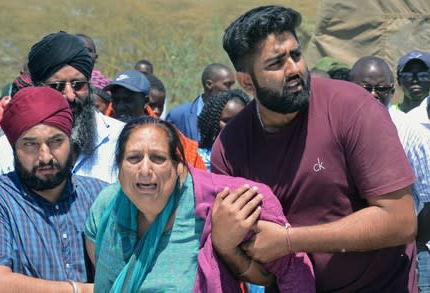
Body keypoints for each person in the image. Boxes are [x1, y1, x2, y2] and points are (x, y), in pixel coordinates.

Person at [211, 5, 417, 292]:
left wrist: (289, 240)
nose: (294, 69)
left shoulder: (352, 108)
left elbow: (400, 220)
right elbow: (256, 265)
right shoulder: (231, 147)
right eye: (276, 63)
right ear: (247, 82)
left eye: (296, 55)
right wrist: (226, 244)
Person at [83, 116, 314, 292]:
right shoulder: (106, 208)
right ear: (119, 169)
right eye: (133, 158)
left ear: (179, 168)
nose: (145, 170)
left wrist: (226, 248)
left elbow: (283, 270)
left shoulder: (224, 205)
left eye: (158, 158)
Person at [0, 87, 108, 292]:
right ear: (14, 149)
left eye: (56, 141)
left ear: (70, 141)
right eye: (30, 145)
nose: (45, 156)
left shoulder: (101, 195)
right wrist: (81, 290)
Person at [0, 31, 124, 183]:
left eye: (78, 85)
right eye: (57, 86)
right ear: (37, 88)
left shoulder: (122, 139)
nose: (70, 95)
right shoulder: (6, 149)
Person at [350, 55, 430, 293]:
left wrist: (410, 243)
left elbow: (427, 201)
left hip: (402, 254)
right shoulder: (337, 128)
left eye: (382, 89)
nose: (374, 94)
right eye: (366, 88)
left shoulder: (409, 132)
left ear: (392, 91)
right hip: (350, 253)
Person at [166, 63, 235, 141]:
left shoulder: (234, 115)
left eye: (232, 85)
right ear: (209, 84)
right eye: (227, 85)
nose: (231, 90)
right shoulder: (178, 116)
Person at [197, 89, 249, 170]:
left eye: (240, 121)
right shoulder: (197, 160)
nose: (234, 126)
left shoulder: (253, 159)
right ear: (213, 122)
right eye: (227, 121)